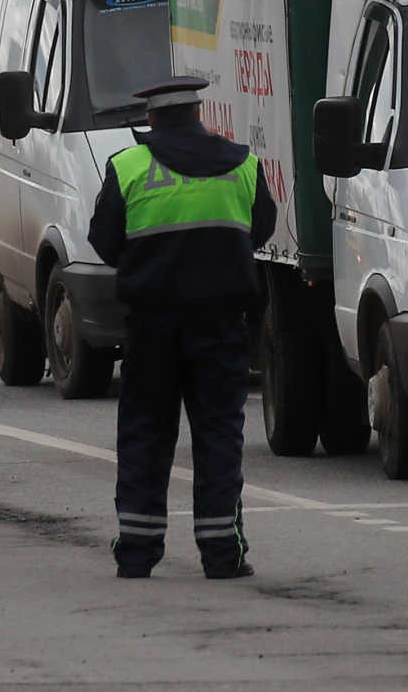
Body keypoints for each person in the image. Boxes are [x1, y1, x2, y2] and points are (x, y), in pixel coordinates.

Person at [87, 75, 277, 580]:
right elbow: (261, 229)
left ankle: (137, 551)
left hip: (152, 328)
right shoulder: (242, 164)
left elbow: (104, 240)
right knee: (218, 436)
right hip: (220, 328)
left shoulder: (129, 166)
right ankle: (221, 553)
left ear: (151, 118)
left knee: (145, 435)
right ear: (198, 114)